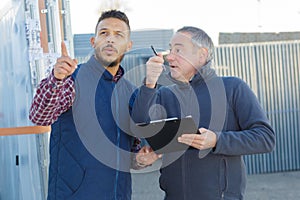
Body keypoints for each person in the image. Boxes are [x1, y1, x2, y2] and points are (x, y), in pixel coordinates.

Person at [131, 26, 275, 200]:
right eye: (170, 49)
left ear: (202, 55)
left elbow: (265, 138)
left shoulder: (232, 88)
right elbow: (139, 122)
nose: (169, 56)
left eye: (178, 49)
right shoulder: (164, 95)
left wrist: (217, 140)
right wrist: (150, 83)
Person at [29, 10, 142, 200]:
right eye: (104, 33)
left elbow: (132, 153)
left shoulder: (131, 92)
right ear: (93, 41)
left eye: (118, 35)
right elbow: (40, 116)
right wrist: (56, 79)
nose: (110, 40)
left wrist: (142, 158)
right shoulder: (71, 80)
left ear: (128, 46)